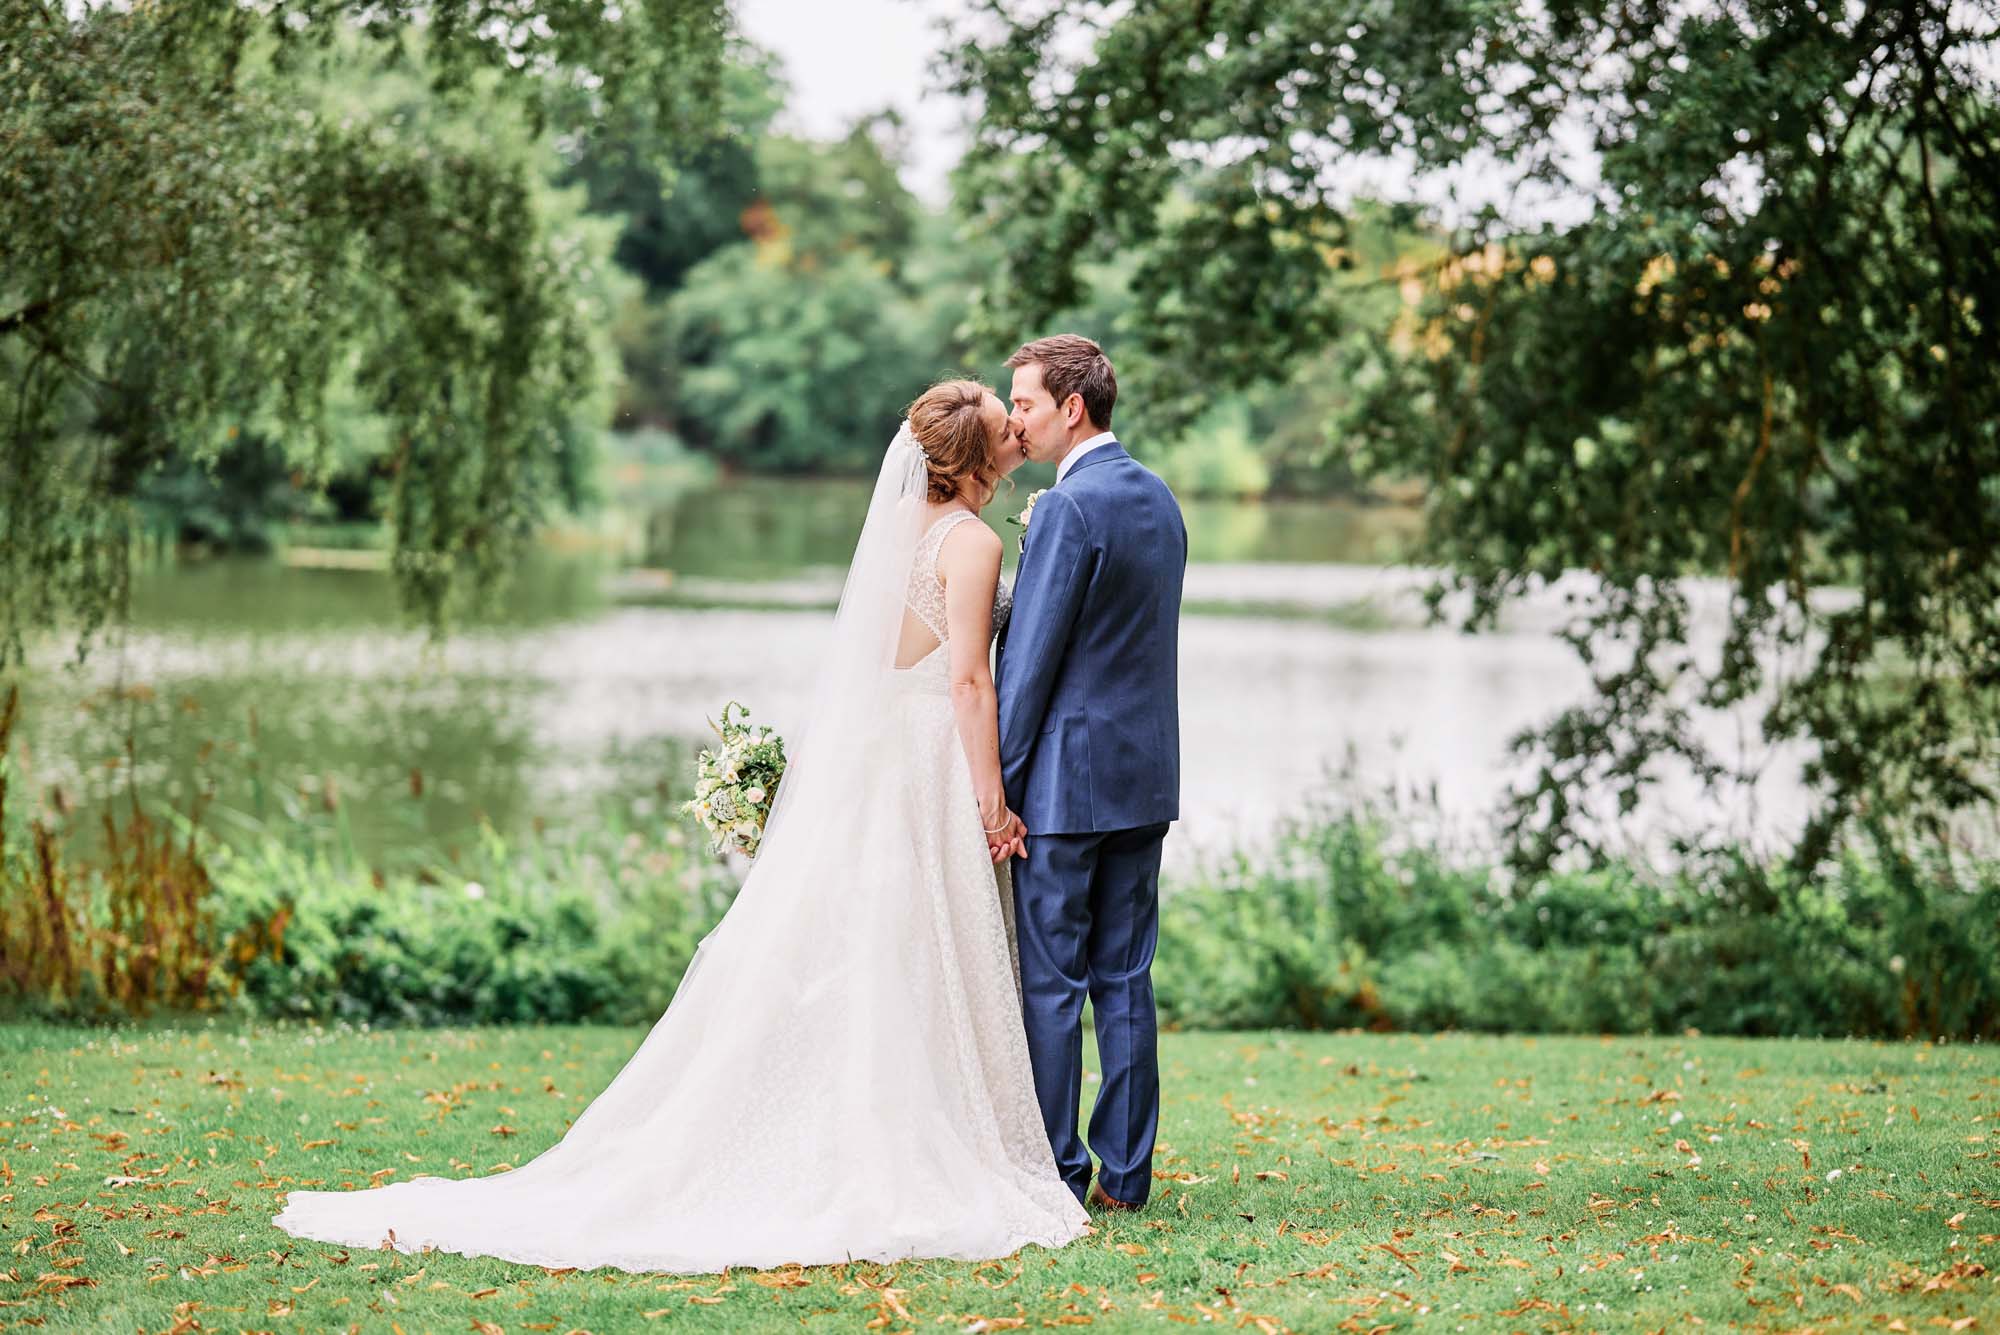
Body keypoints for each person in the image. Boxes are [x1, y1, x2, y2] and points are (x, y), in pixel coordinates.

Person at [271, 378, 1090, 1274]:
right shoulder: (970, 541)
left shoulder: (894, 528)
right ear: (969, 459)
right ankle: (903, 1136)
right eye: (1002, 425)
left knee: (872, 946)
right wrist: (992, 800)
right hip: (927, 760)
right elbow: (967, 680)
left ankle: (857, 1119)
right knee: (921, 946)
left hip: (872, 760)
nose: (1016, 432)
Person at [997, 334, 1187, 1212]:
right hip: (1145, 780)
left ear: (1072, 407)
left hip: (1066, 790)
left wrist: (997, 787)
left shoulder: (1069, 508)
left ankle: (1058, 1172)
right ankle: (1128, 1175)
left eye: (1026, 403)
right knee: (1124, 977)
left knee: (1053, 983)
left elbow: (1029, 663)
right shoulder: (1161, 499)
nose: (1016, 420)